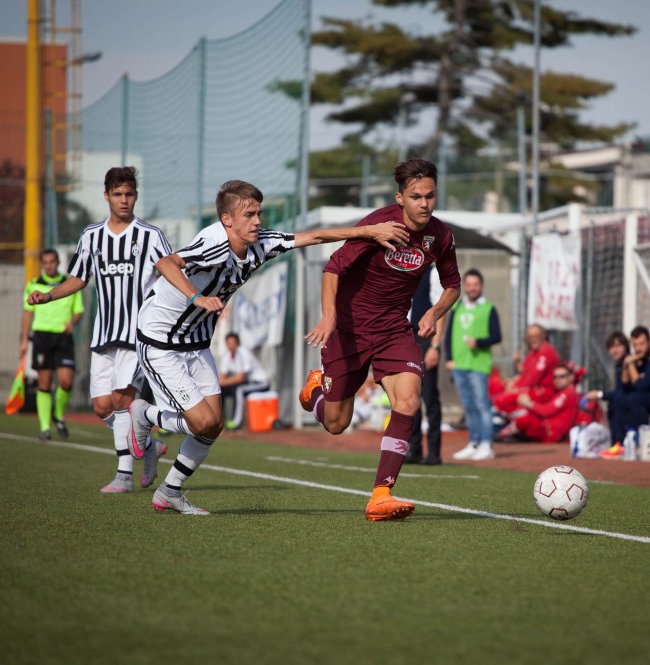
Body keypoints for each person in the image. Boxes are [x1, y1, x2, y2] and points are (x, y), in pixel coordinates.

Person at [128, 179, 408, 515]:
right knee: (203, 422)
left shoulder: (263, 243)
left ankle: (169, 491)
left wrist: (369, 231)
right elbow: (166, 263)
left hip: (197, 341)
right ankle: (144, 413)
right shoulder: (213, 242)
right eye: (249, 214)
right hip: (160, 340)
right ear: (227, 220)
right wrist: (197, 297)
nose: (258, 220)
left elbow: (316, 237)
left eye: (259, 212)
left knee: (214, 425)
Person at [298, 158, 461, 521]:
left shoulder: (441, 236)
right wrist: (329, 316)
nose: (424, 204)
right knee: (337, 424)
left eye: (430, 196)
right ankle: (317, 391)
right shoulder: (377, 225)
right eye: (416, 196)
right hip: (348, 331)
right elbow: (333, 267)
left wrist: (434, 312)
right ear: (400, 197)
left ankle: (380, 495)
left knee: (409, 399)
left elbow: (454, 285)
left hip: (392, 330)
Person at [26, 167, 171, 494]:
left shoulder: (150, 235)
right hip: (103, 335)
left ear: (136, 196)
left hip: (137, 337)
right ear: (106, 196)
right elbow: (78, 278)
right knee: (102, 408)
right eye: (117, 194)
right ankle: (148, 448)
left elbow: (171, 272)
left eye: (129, 194)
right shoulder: (92, 236)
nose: (124, 200)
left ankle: (124, 475)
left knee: (121, 400)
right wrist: (48, 296)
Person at [586, 325, 650, 455]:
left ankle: (640, 440)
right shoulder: (638, 359)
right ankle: (619, 443)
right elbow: (625, 387)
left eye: (642, 344)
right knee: (618, 400)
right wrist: (627, 364)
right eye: (635, 345)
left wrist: (629, 363)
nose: (638, 348)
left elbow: (642, 385)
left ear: (649, 342)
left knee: (634, 399)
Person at [21, 248, 84, 441]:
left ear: (58, 263)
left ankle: (58, 413)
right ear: (42, 264)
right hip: (42, 337)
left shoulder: (69, 283)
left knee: (66, 381)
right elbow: (27, 313)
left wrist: (72, 323)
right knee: (45, 383)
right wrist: (24, 340)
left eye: (52, 262)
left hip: (63, 337)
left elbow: (78, 311)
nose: (49, 265)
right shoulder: (33, 285)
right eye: (45, 262)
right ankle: (45, 427)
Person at [445, 268, 502, 461]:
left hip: (478, 365)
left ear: (481, 286)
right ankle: (474, 442)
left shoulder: (488, 308)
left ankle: (487, 443)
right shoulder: (457, 306)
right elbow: (449, 334)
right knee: (468, 406)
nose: (472, 288)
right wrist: (449, 358)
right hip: (459, 364)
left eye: (475, 284)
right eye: (468, 284)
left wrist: (478, 342)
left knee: (481, 405)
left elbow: (497, 336)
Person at [403, 265, 446, 466]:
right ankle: (415, 449)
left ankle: (434, 453)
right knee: (410, 394)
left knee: (429, 396)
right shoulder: (403, 272)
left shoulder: (433, 272)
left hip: (425, 337)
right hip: (406, 336)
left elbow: (441, 310)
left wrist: (435, 346)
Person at [497, 361, 583, 443]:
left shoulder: (568, 392)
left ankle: (502, 434)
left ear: (571, 377)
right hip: (546, 428)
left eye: (562, 376)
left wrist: (528, 403)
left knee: (525, 417)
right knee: (515, 406)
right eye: (555, 377)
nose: (558, 380)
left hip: (550, 433)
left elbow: (546, 411)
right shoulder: (560, 391)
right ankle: (510, 430)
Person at [493, 324, 560, 417]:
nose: (533, 339)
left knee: (502, 400)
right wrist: (514, 376)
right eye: (530, 337)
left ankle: (516, 418)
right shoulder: (533, 352)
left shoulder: (546, 352)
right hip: (531, 388)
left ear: (543, 336)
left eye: (536, 336)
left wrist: (515, 387)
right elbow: (526, 371)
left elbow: (533, 377)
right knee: (495, 388)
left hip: (542, 391)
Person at [584, 331, 632, 451]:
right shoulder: (619, 365)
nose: (614, 351)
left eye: (618, 346)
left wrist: (600, 394)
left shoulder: (630, 362)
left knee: (616, 400)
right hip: (627, 399)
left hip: (637, 400)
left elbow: (624, 391)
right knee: (613, 402)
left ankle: (620, 443)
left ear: (626, 346)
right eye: (611, 347)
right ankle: (616, 443)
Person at [218, 332, 271, 430]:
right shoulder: (227, 356)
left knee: (239, 390)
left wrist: (221, 382)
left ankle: (236, 423)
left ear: (237, 343)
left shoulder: (243, 353)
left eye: (233, 343)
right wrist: (220, 384)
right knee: (220, 390)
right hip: (248, 383)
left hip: (261, 383)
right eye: (229, 343)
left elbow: (240, 378)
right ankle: (219, 421)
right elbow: (222, 378)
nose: (231, 345)